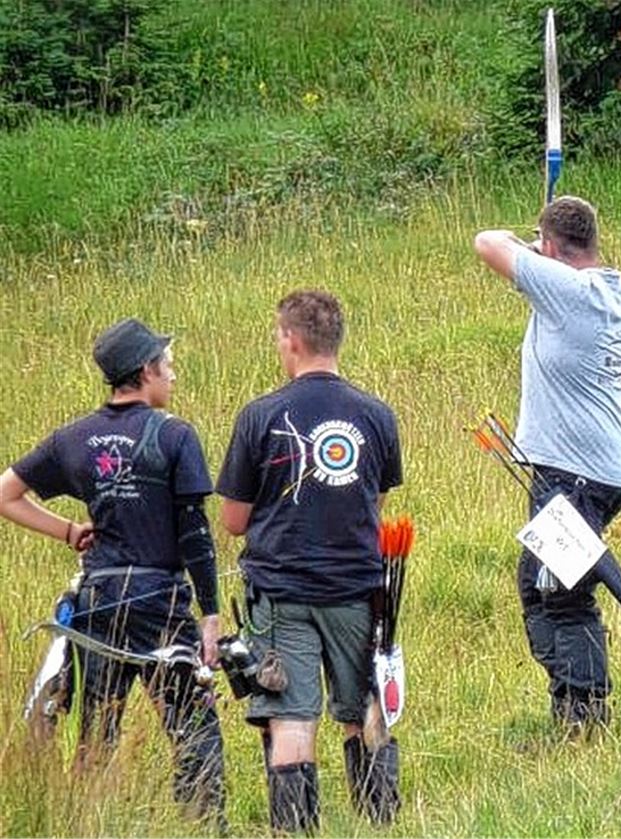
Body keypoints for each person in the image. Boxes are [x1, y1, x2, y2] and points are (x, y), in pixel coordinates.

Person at [0, 318, 226, 826]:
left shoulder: (74, 438)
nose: (173, 373)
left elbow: (5, 494)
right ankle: (203, 826)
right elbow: (194, 533)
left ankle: (84, 826)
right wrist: (211, 613)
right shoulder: (174, 436)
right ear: (146, 370)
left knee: (97, 732)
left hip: (99, 601)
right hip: (160, 603)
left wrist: (66, 531)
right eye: (167, 364)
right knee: (192, 726)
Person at [216, 290, 403, 834]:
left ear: (291, 340)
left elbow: (232, 520)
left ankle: (296, 830)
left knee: (292, 721)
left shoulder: (260, 415)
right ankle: (379, 824)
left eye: (279, 335)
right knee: (365, 713)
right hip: (359, 591)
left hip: (281, 593)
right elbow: (375, 503)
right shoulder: (376, 415)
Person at [474, 195, 621, 732]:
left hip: (574, 474)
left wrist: (531, 250)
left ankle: (584, 719)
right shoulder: (614, 289)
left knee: (560, 597)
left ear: (550, 248)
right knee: (543, 586)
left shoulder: (567, 290)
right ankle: (573, 706)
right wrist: (541, 249)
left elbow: (487, 242)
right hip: (594, 468)